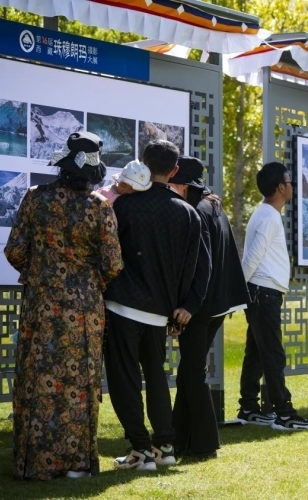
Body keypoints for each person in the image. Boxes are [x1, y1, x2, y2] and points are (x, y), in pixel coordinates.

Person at [5, 131, 123, 480]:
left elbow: (14, 250)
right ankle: (76, 464)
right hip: (83, 308)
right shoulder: (98, 207)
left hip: (40, 302)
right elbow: (113, 264)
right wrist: (87, 278)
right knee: (79, 382)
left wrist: (41, 269)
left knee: (36, 377)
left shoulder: (35, 197)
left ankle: (33, 464)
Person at [104, 140, 202, 471]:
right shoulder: (188, 212)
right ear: (175, 171)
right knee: (157, 377)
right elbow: (193, 268)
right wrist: (181, 307)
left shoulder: (125, 205)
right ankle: (165, 447)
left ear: (143, 162)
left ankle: (140, 450)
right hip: (161, 311)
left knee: (125, 378)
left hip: (122, 304)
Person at [169, 156, 250, 459]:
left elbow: (199, 266)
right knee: (189, 370)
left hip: (201, 305)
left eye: (172, 185)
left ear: (183, 185)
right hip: (218, 303)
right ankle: (179, 438)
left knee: (192, 373)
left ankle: (205, 444)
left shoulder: (197, 212)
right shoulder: (213, 206)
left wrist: (187, 306)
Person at [238, 161, 308, 431]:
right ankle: (284, 414)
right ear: (281, 187)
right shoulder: (269, 217)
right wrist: (238, 292)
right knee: (272, 354)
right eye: (290, 182)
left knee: (257, 353)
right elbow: (251, 258)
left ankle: (249, 408)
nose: (293, 186)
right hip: (263, 293)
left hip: (262, 292)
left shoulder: (266, 214)